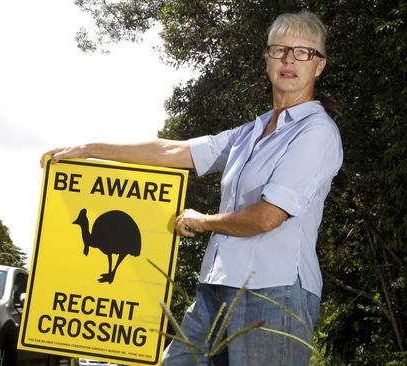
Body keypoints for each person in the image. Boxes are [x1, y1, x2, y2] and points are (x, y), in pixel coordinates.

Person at [41, 10, 342, 366]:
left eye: (304, 52)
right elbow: (173, 150)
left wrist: (201, 222)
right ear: (267, 60)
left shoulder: (316, 132)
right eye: (280, 50)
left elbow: (267, 217)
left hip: (274, 295)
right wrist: (90, 150)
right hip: (216, 289)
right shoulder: (251, 132)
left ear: (318, 66)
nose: (290, 59)